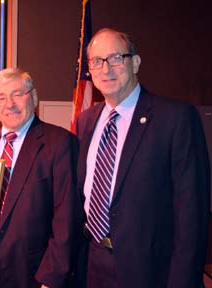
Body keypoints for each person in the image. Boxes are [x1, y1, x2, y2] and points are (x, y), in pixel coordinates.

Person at [75, 27, 211, 288]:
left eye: (116, 58)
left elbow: (192, 214)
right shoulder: (86, 122)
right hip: (92, 264)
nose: (106, 69)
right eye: (97, 62)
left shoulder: (176, 119)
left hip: (151, 271)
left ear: (135, 63)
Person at [0, 68, 79, 288]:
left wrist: (51, 279)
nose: (10, 104)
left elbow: (67, 219)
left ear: (33, 98)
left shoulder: (60, 143)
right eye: (1, 97)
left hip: (35, 276)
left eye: (17, 94)